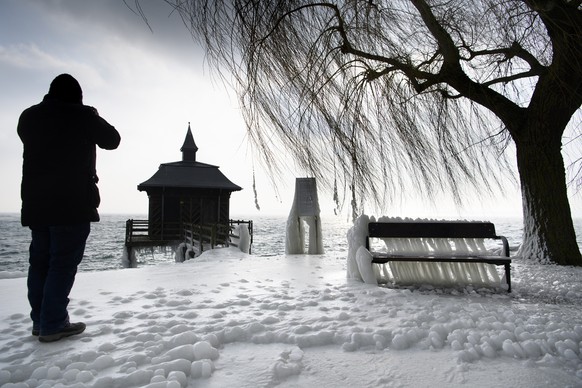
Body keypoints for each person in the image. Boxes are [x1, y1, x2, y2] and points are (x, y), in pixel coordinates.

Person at [18, 74, 121, 343]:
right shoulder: (82, 116)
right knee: (62, 264)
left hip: (37, 203)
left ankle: (40, 321)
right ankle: (53, 323)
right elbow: (112, 139)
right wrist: (90, 113)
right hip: (71, 202)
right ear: (77, 96)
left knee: (39, 262)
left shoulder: (29, 117)